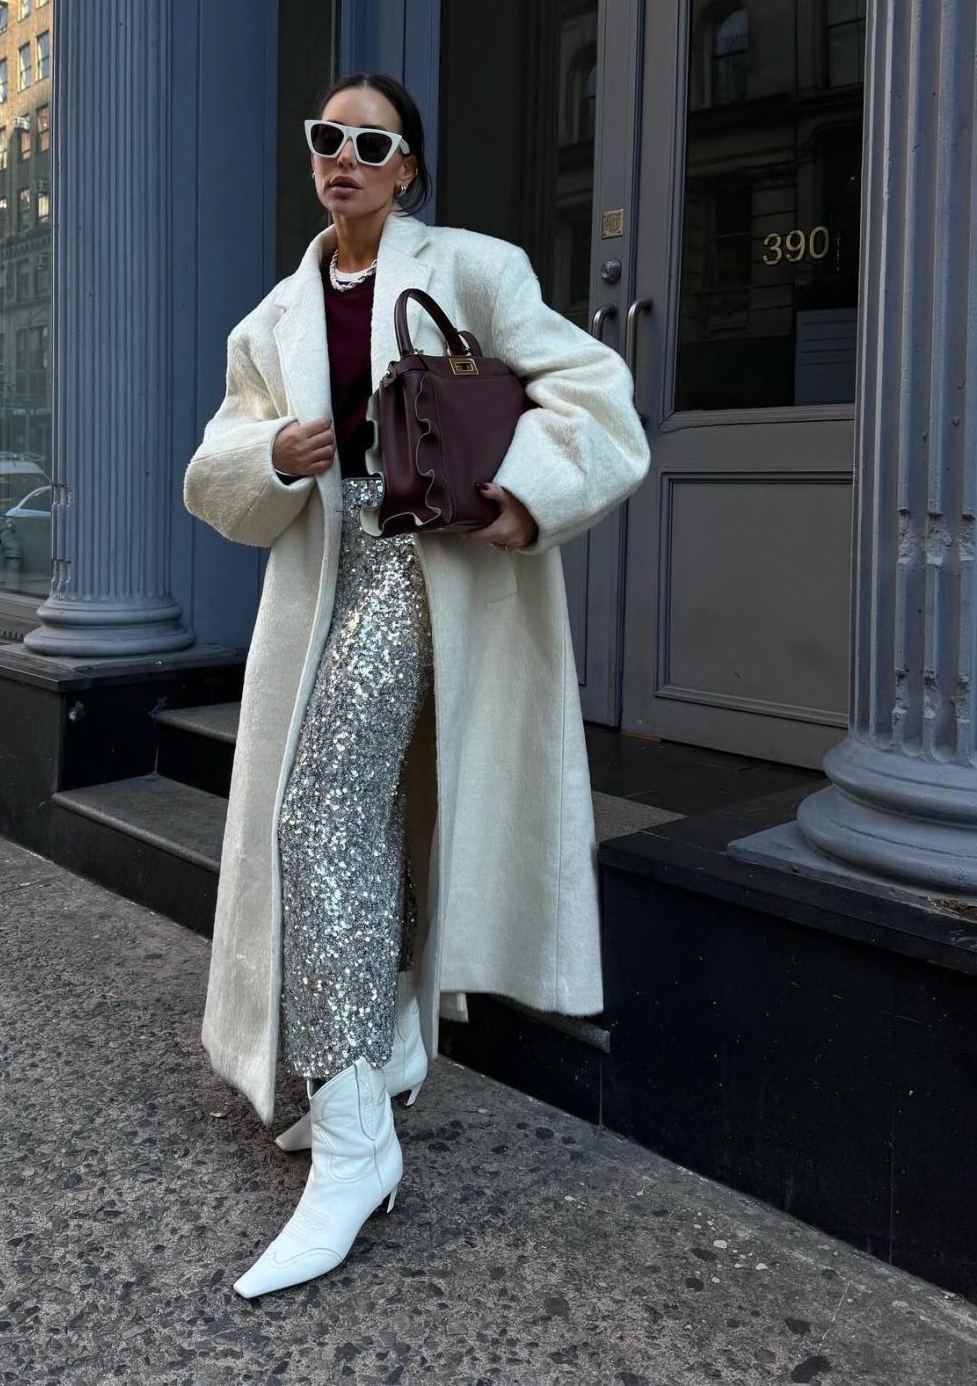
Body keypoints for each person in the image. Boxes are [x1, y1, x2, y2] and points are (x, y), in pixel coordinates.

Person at [183, 71, 651, 1299]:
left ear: (407, 169)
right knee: (368, 819)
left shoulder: (477, 268)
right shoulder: (276, 313)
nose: (343, 156)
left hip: (430, 564)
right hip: (323, 575)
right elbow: (216, 466)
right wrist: (271, 454)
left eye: (370, 142)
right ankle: (376, 1052)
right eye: (326, 137)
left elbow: (596, 394)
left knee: (316, 815)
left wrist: (523, 494)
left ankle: (353, 1146)